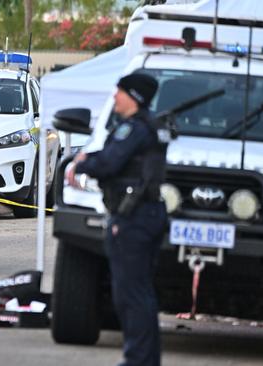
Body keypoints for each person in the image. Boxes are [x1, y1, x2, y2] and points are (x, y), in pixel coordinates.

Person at [67, 72, 168, 366]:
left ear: (134, 97)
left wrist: (84, 164)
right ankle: (145, 359)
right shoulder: (148, 126)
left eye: (120, 91)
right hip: (146, 215)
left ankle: (138, 359)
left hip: (133, 217)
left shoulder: (134, 128)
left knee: (130, 295)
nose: (114, 96)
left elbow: (110, 162)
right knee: (141, 293)